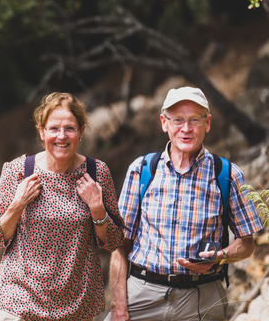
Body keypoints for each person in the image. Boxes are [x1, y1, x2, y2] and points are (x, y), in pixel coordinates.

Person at [106, 86, 263, 321]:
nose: (186, 129)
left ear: (207, 123)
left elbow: (247, 244)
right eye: (178, 120)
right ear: (164, 123)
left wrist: (220, 256)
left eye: (194, 120)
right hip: (143, 293)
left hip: (202, 296)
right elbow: (120, 244)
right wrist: (119, 304)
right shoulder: (142, 170)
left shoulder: (227, 174)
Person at [0, 92, 124, 321]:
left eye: (69, 128)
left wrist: (98, 210)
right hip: (17, 304)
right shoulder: (18, 171)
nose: (62, 136)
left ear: (81, 131)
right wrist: (17, 204)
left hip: (75, 308)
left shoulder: (96, 173)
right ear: (41, 131)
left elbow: (114, 242)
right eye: (53, 129)